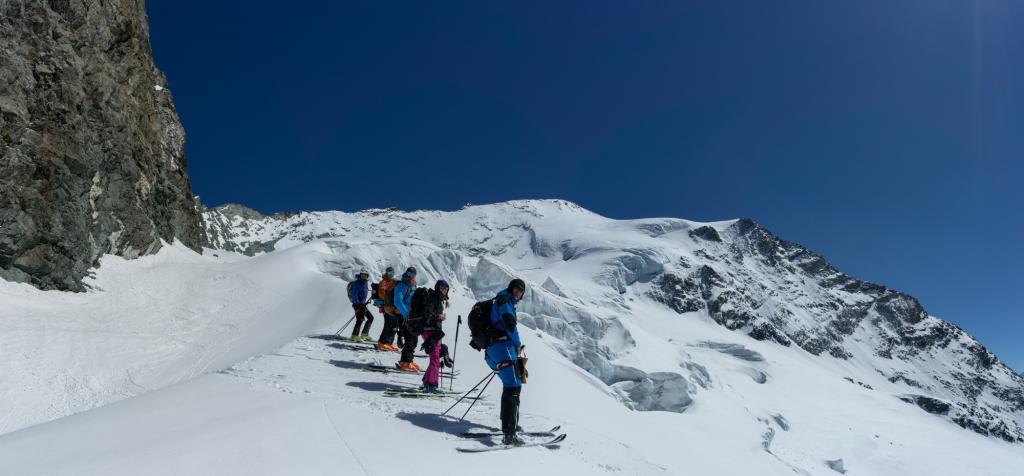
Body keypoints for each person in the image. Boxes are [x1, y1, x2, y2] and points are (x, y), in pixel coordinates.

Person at [485, 278, 527, 445]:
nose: (518, 293)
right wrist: (517, 344)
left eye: (521, 291)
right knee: (514, 386)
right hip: (502, 346)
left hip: (498, 346)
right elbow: (509, 324)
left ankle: (509, 424)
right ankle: (509, 434)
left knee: (511, 384)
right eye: (516, 289)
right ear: (511, 288)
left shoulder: (505, 300)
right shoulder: (505, 300)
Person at [417, 280, 450, 392]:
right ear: (437, 288)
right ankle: (431, 385)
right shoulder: (434, 297)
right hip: (429, 330)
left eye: (446, 288)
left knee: (435, 357)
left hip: (433, 331)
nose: (445, 290)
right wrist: (438, 317)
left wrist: (438, 317)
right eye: (442, 288)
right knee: (435, 358)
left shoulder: (437, 298)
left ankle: (427, 381)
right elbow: (427, 313)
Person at [393, 267, 420, 371]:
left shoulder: (412, 286)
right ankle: (405, 362)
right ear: (406, 273)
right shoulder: (402, 286)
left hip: (411, 317)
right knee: (411, 339)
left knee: (413, 339)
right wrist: (406, 314)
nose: (412, 276)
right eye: (410, 273)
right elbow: (398, 302)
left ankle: (408, 361)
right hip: (405, 317)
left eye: (414, 274)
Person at [375, 267, 401, 351]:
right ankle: (382, 342)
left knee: (394, 325)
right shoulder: (383, 282)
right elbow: (381, 294)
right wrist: (390, 298)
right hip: (386, 307)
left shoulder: (394, 281)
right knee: (388, 324)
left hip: (394, 306)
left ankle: (389, 343)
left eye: (392, 273)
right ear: (386, 273)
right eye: (389, 273)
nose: (391, 275)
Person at [348, 269, 374, 341]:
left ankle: (364, 334)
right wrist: (358, 304)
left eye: (365, 275)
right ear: (360, 275)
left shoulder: (365, 283)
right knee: (360, 319)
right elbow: (354, 294)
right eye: (362, 275)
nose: (364, 276)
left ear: (367, 276)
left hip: (363, 304)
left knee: (370, 318)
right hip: (358, 304)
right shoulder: (357, 283)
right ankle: (354, 336)